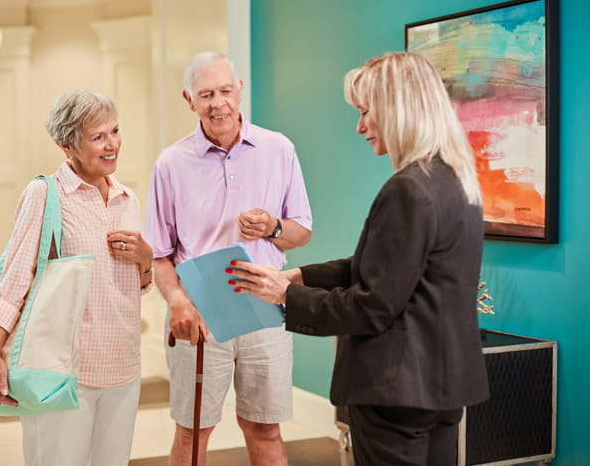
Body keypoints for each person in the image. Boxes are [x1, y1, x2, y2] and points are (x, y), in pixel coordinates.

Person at [229, 52, 490, 466]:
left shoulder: (406, 189)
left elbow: (373, 306)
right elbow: (392, 265)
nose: (360, 126)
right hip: (443, 385)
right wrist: (300, 276)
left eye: (367, 112)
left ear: (397, 110)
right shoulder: (457, 180)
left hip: (395, 389)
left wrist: (286, 296)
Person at [145, 51, 313, 465]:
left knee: (265, 428)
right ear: (189, 100)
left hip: (265, 309)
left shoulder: (279, 149)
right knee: (193, 432)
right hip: (198, 315)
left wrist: (273, 227)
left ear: (240, 91)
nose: (217, 103)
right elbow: (159, 255)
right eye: (206, 94)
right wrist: (179, 303)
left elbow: (301, 232)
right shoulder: (170, 163)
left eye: (224, 91)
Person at [0, 89, 154, 466]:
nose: (112, 145)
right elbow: (14, 278)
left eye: (115, 131)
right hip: (63, 368)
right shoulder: (45, 194)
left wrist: (146, 259)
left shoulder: (128, 199)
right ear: (67, 144)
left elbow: (135, 285)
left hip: (123, 364)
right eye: (97, 137)